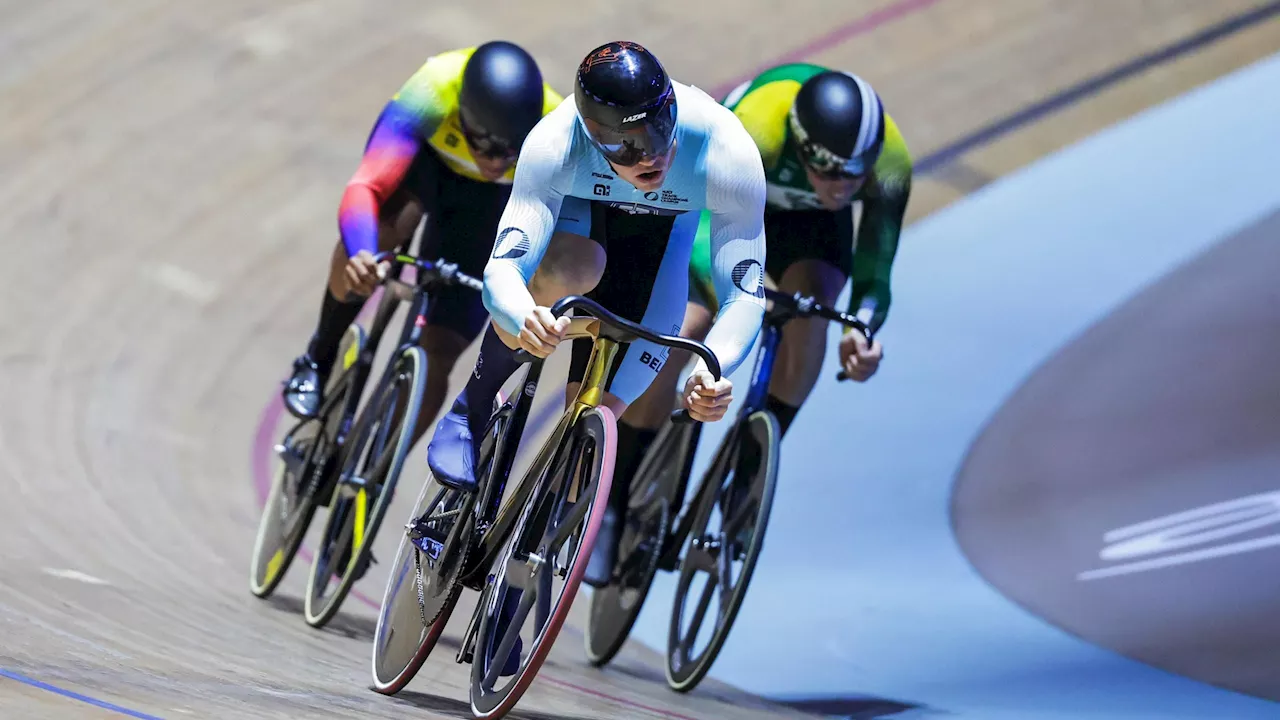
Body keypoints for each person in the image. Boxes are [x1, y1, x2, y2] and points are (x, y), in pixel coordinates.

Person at [422, 40, 770, 612]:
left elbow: (746, 294)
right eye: (625, 147)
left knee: (594, 428)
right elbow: (505, 268)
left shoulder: (725, 149)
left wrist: (715, 367)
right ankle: (473, 406)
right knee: (574, 269)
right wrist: (522, 315)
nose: (650, 156)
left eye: (658, 131)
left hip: (657, 256)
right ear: (591, 135)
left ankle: (514, 593)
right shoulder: (556, 143)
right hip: (583, 232)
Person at [612, 64, 913, 555]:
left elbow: (877, 264)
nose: (842, 188)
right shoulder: (755, 129)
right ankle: (615, 495)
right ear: (802, 148)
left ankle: (746, 477)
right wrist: (736, 299)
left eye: (855, 176)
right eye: (831, 172)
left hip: (808, 225)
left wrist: (863, 328)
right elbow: (702, 230)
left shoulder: (892, 164)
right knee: (687, 322)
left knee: (814, 310)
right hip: (717, 206)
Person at [281, 42, 563, 432]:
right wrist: (362, 252)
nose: (495, 161)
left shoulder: (557, 124)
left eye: (511, 151)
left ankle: (377, 474)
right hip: (426, 168)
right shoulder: (434, 89)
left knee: (440, 350)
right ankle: (318, 357)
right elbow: (367, 185)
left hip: (488, 203)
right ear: (463, 116)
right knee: (381, 232)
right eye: (484, 145)